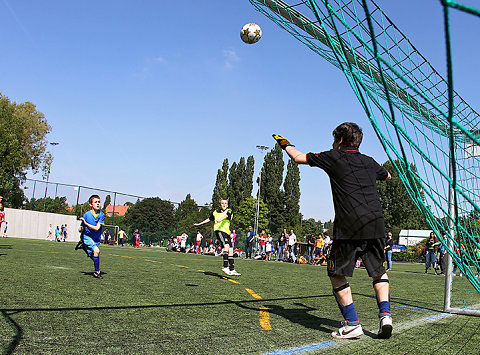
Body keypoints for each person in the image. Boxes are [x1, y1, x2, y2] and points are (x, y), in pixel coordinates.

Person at [273, 122, 393, 339]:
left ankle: (352, 324)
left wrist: (284, 144)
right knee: (378, 272)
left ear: (339, 140)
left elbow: (298, 157)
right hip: (376, 223)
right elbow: (387, 176)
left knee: (336, 273)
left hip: (349, 227)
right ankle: (385, 316)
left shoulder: (333, 156)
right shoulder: (369, 161)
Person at [194, 198, 240, 276]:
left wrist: (220, 219)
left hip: (227, 232)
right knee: (226, 246)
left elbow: (226, 216)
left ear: (227, 204)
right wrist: (199, 223)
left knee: (231, 249)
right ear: (220, 204)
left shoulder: (229, 211)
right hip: (219, 231)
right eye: (222, 203)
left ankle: (232, 269)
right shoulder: (215, 212)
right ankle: (225, 266)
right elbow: (209, 219)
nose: (224, 205)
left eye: (225, 203)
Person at [75, 195, 105, 279]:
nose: (98, 204)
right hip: (86, 236)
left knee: (94, 255)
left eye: (99, 202)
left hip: (95, 237)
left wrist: (86, 224)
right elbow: (82, 227)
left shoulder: (101, 215)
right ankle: (97, 272)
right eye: (95, 202)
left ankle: (83, 246)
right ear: (91, 205)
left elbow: (97, 228)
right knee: (97, 251)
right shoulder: (86, 215)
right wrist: (80, 228)